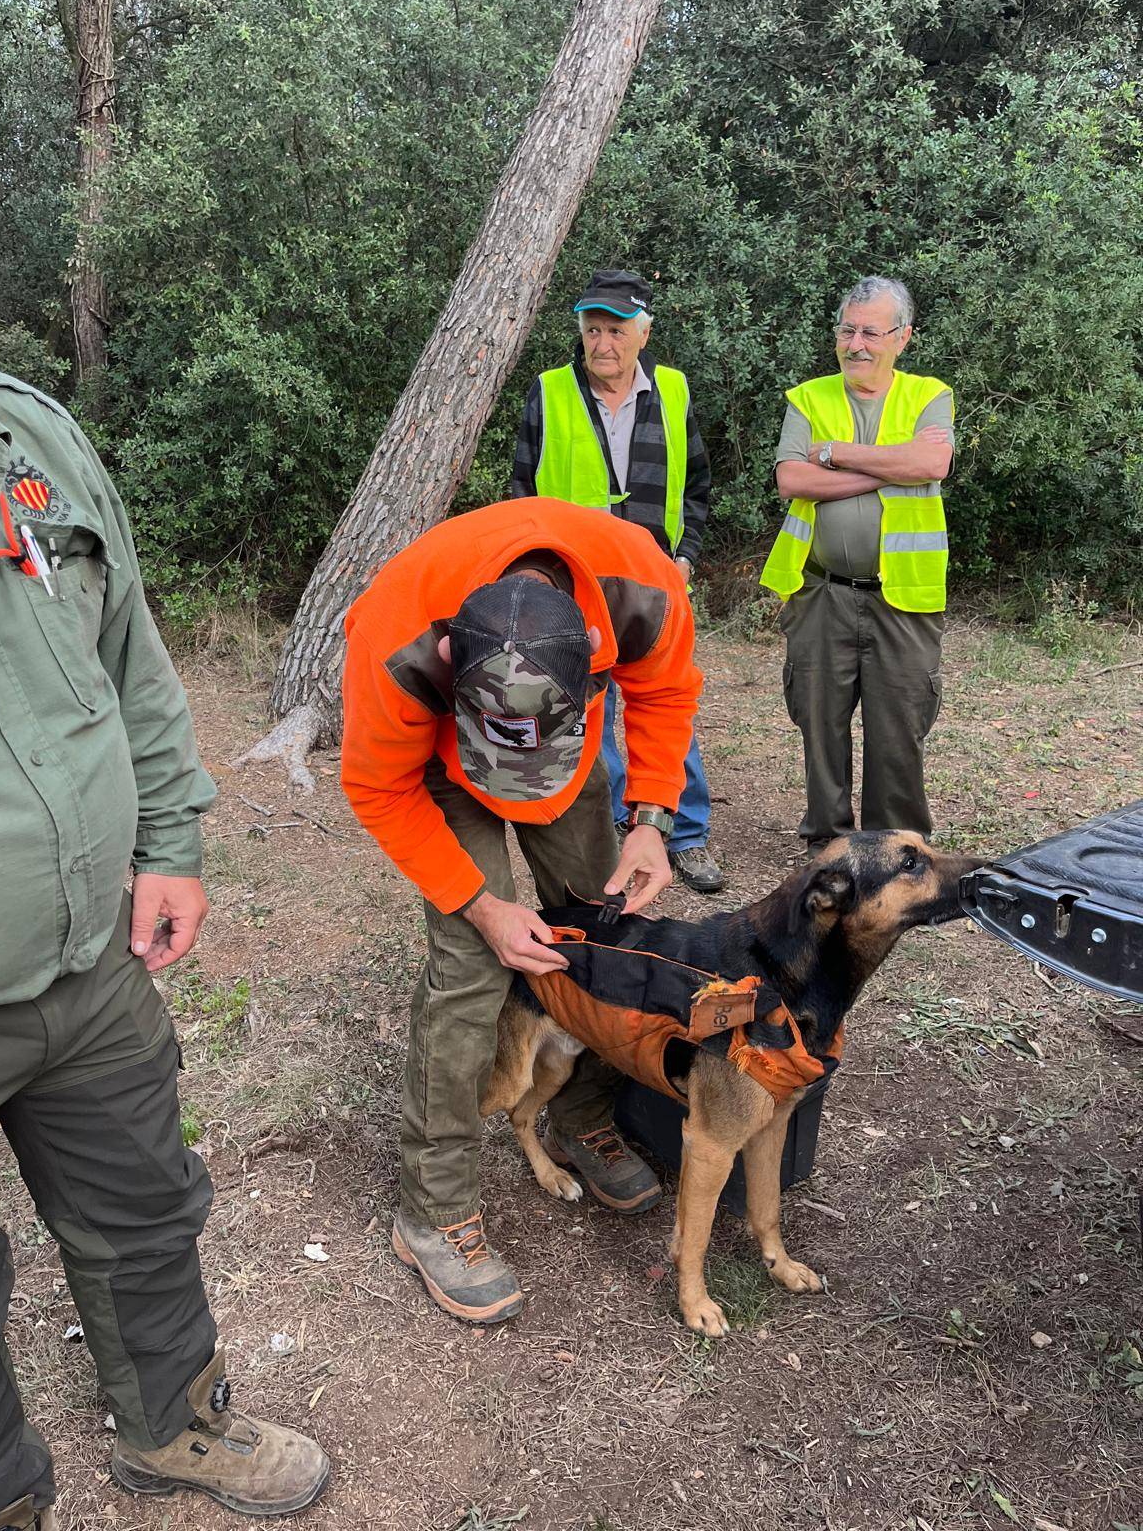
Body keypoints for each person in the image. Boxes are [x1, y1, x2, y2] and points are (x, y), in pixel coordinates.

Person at [0, 186, 329, 1531]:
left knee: (147, 1211)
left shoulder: (31, 442)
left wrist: (170, 839)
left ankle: (173, 1426)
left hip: (91, 963)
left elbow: (131, 656)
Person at [340, 498, 701, 1323]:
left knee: (600, 928)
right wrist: (481, 905)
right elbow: (374, 785)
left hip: (569, 768)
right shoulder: (396, 637)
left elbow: (667, 694)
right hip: (438, 767)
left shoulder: (641, 589)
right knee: (471, 967)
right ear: (445, 659)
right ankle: (431, 1210)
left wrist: (652, 819)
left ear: (590, 658)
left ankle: (578, 1115)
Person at [511, 267, 723, 893]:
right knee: (592, 715)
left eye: (616, 329)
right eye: (592, 329)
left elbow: (700, 485)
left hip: (655, 584)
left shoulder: (675, 391)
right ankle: (615, 832)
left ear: (644, 330)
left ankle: (684, 835)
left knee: (666, 702)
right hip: (573, 588)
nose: (603, 343)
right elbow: (522, 495)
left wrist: (684, 556)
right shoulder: (548, 392)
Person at [760, 275, 955, 854]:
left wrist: (837, 456)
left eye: (871, 331)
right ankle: (830, 844)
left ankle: (898, 849)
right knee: (820, 721)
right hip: (820, 592)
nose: (856, 343)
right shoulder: (809, 397)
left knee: (899, 724)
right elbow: (790, 477)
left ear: (903, 338)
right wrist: (893, 467)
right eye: (847, 329)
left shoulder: (928, 394)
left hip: (905, 595)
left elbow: (933, 462)